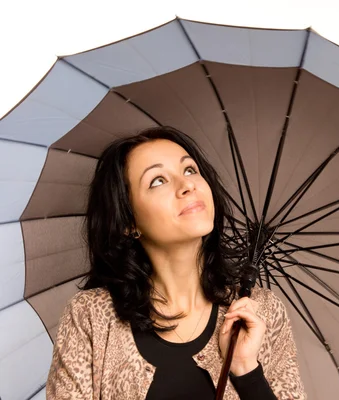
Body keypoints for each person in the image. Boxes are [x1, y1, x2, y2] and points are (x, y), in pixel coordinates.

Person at [46, 126, 306, 399]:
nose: (187, 185)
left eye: (190, 170)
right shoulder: (91, 316)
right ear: (128, 222)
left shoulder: (261, 313)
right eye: (158, 180)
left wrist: (246, 371)